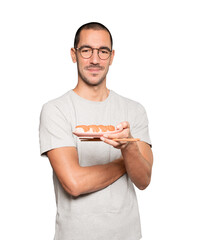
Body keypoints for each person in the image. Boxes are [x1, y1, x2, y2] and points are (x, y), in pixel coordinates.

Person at [39, 22, 153, 240]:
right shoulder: (55, 110)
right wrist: (126, 158)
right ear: (74, 54)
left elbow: (143, 180)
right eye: (86, 50)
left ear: (112, 57)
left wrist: (128, 147)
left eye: (103, 52)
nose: (94, 60)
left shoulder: (134, 110)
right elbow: (74, 183)